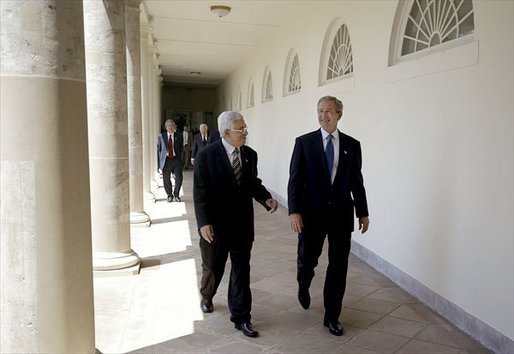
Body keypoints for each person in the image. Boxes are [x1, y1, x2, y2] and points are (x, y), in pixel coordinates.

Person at [287, 96, 369, 336]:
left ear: (339, 114)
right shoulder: (304, 143)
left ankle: (332, 316)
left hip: (341, 215)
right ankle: (303, 282)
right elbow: (295, 180)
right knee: (308, 259)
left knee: (338, 266)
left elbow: (357, 181)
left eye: (328, 112)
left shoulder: (352, 145)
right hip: (311, 214)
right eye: (320, 111)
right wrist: (294, 211)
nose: (323, 116)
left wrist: (363, 212)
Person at [193, 111, 278, 338]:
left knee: (241, 271)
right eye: (241, 129)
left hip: (242, 225)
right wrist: (204, 223)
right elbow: (200, 193)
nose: (246, 132)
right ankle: (207, 295)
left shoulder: (250, 155)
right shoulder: (206, 156)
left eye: (245, 128)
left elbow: (251, 183)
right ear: (226, 132)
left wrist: (265, 198)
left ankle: (242, 317)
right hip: (215, 226)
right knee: (213, 267)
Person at [157, 119, 184, 202]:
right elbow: (159, 150)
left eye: (172, 125)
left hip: (176, 159)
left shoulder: (179, 136)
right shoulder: (161, 136)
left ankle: (176, 195)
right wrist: (159, 164)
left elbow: (181, 148)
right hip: (166, 160)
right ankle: (169, 195)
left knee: (179, 177)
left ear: (174, 127)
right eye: (168, 126)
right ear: (166, 127)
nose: (170, 127)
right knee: (166, 178)